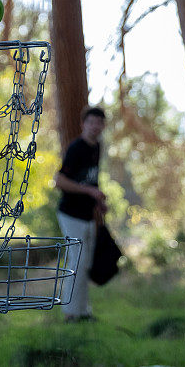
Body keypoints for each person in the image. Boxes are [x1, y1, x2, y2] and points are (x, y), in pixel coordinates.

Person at [54, 106, 108, 322]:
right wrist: (89, 191)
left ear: (103, 126)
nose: (95, 126)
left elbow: (90, 179)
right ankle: (70, 314)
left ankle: (83, 311)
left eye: (99, 122)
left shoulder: (97, 147)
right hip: (70, 214)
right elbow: (60, 181)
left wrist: (97, 202)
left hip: (87, 215)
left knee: (85, 264)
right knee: (76, 263)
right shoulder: (76, 148)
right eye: (91, 122)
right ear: (83, 124)